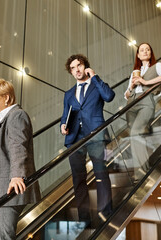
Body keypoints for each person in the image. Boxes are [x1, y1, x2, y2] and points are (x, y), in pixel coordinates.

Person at [0, 78, 41, 240]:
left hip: (7, 191)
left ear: (6, 97)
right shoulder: (5, 120)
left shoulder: (16, 115)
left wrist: (17, 175)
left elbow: (18, 146)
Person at [60, 54, 115, 228]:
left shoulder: (97, 85)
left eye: (79, 65)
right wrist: (63, 125)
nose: (77, 70)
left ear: (85, 66)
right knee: (78, 179)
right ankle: (84, 218)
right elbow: (64, 116)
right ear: (71, 72)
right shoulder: (69, 94)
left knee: (101, 172)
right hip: (74, 139)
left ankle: (106, 212)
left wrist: (95, 77)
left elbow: (109, 96)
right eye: (73, 68)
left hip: (96, 135)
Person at [124, 42, 161, 181]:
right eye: (142, 50)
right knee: (134, 136)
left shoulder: (157, 66)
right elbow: (126, 95)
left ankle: (141, 172)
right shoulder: (134, 72)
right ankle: (141, 170)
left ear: (150, 53)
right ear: (138, 55)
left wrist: (144, 82)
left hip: (146, 102)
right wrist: (132, 85)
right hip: (131, 104)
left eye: (147, 50)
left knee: (136, 132)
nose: (145, 51)